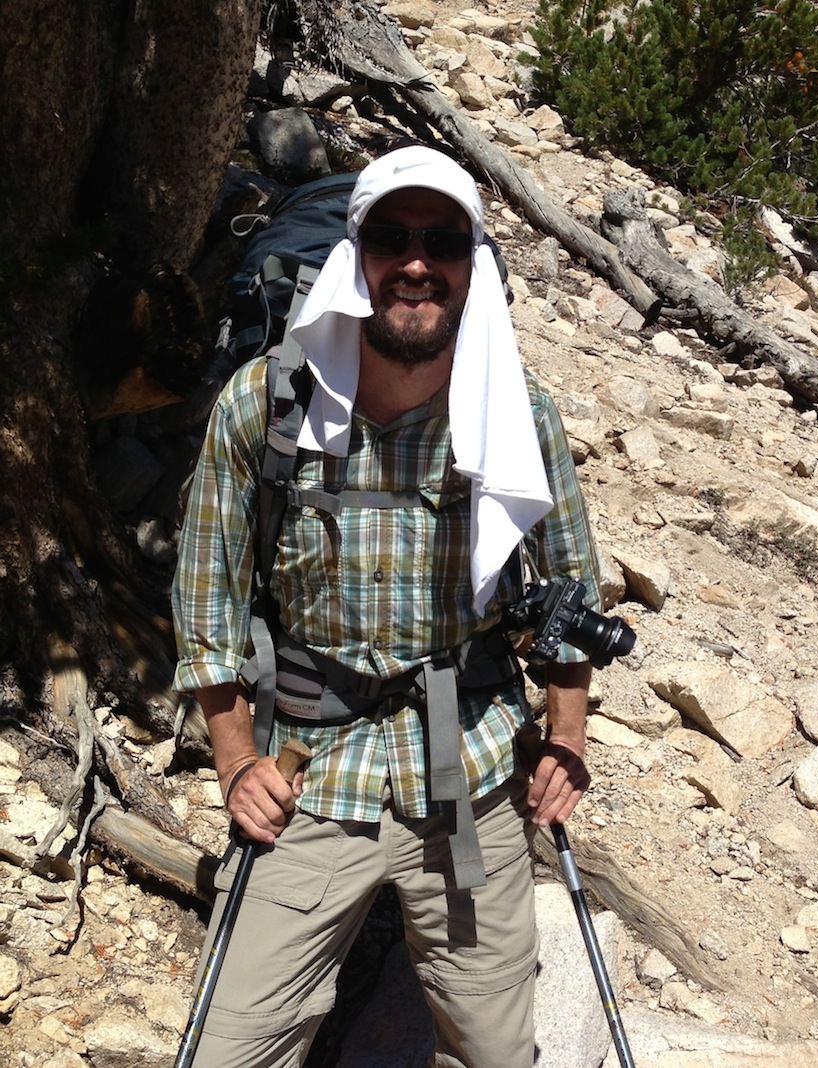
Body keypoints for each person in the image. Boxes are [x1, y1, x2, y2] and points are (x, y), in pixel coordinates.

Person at [171, 144, 604, 1067]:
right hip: (311, 766)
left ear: (471, 262)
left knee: (494, 1049)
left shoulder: (514, 415)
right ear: (356, 253)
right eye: (392, 237)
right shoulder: (267, 407)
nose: (416, 262)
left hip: (469, 769)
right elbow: (206, 596)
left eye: (441, 239)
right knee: (230, 1053)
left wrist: (565, 740)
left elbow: (571, 594)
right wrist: (237, 760)